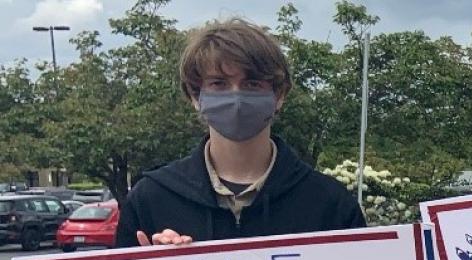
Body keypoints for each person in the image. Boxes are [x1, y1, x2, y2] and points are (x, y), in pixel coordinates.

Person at [116, 18, 364, 248]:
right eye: (218, 83)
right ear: (195, 96)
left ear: (279, 96)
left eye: (252, 83)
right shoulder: (150, 200)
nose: (235, 96)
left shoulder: (331, 204)